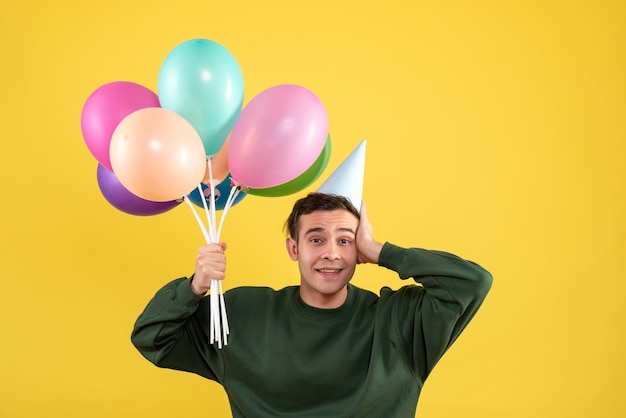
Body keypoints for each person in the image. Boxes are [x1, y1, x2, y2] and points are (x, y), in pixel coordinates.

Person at [131, 192, 492, 417]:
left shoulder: (400, 320)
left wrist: (382, 252)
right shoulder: (241, 314)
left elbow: (472, 282)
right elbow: (152, 337)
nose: (331, 254)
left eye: (345, 241)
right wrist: (195, 286)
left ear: (359, 250)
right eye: (316, 239)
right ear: (294, 248)